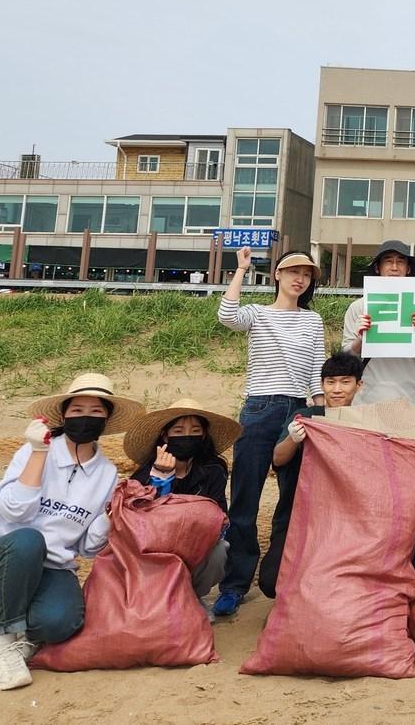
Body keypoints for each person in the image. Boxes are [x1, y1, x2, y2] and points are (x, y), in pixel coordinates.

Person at [0, 373, 142, 691]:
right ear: (63, 415)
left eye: (96, 412)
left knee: (61, 622)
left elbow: (87, 548)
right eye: (77, 410)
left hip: (49, 571)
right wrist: (38, 453)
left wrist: (112, 515)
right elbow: (13, 511)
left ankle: (26, 636)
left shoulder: (106, 473)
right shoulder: (34, 451)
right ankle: (3, 645)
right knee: (29, 539)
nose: (86, 417)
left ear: (107, 420)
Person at [214, 247, 326, 618]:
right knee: (245, 498)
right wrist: (242, 270)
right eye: (292, 271)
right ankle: (234, 584)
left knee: (291, 500)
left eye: (306, 275)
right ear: (277, 275)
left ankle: (281, 577)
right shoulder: (258, 314)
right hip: (259, 407)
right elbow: (226, 315)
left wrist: (321, 412)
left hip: (298, 410)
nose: (299, 279)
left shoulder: (313, 321)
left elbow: (316, 372)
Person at [258, 350, 365, 598]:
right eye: (330, 382)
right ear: (321, 385)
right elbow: (278, 459)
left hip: (346, 522)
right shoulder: (304, 417)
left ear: (359, 385)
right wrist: (293, 439)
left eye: (345, 382)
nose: (337, 389)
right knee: (271, 581)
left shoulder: (364, 422)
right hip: (296, 518)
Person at [124, 397, 240, 604]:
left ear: (203, 435)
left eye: (195, 431)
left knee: (220, 550)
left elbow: (219, 515)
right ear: (165, 435)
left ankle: (192, 598)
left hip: (197, 544)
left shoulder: (213, 471)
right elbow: (139, 523)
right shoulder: (143, 475)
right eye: (178, 431)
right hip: (155, 550)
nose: (187, 436)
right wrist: (161, 478)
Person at [341, 239, 415, 407]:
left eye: (400, 262)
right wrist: (362, 339)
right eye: (388, 261)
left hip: (406, 402)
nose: (394, 267)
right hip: (364, 401)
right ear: (378, 268)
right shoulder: (358, 307)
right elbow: (345, 356)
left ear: (408, 269)